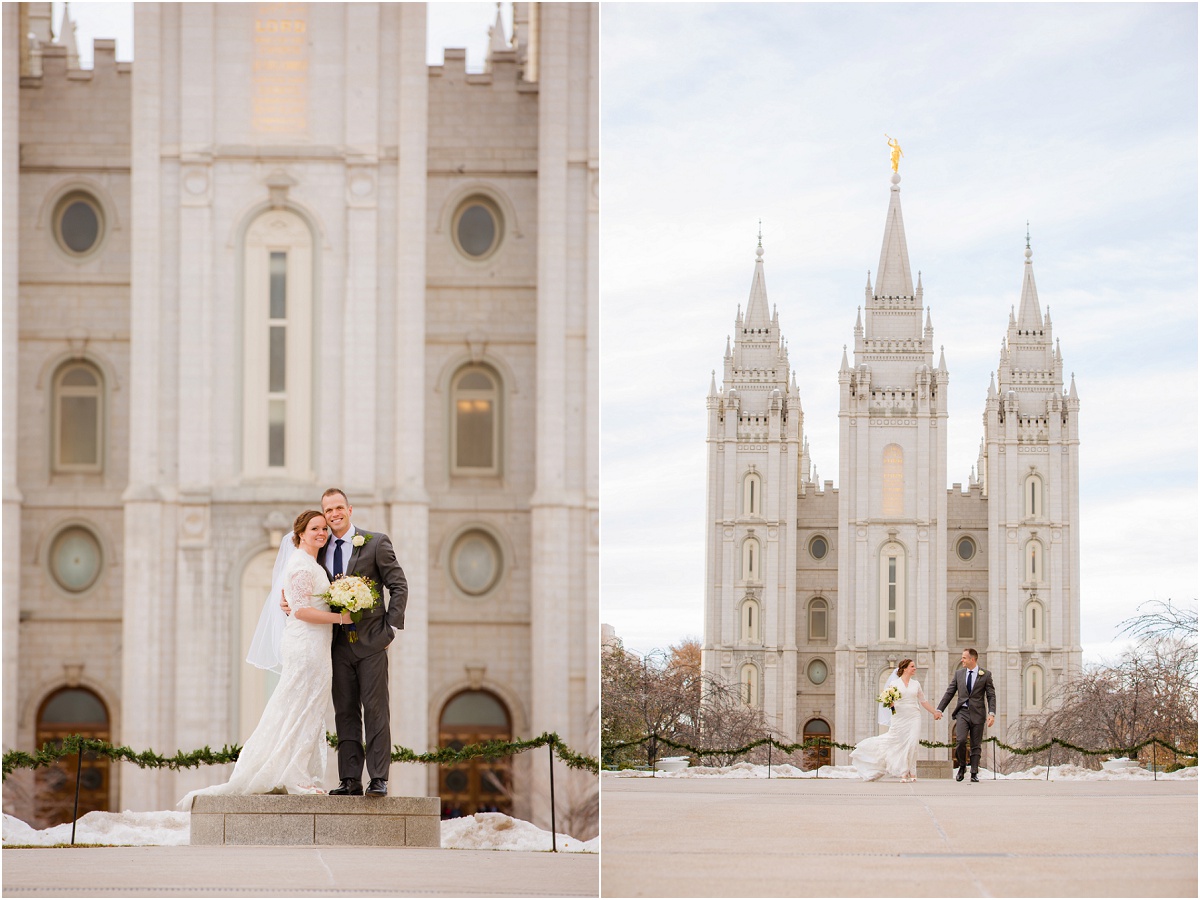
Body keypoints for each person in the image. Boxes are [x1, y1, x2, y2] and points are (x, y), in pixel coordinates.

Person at [179, 511, 352, 809]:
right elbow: (299, 610)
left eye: (324, 528)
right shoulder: (299, 564)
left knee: (307, 708)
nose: (322, 533)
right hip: (306, 646)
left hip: (317, 646)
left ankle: (297, 773)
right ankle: (294, 776)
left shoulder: (311, 563)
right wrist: (341, 617)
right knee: (300, 706)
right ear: (299, 534)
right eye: (315, 528)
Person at [282, 488, 408, 798]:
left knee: (377, 711)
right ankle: (349, 779)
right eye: (328, 510)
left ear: (349, 510)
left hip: (372, 644)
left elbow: (398, 585)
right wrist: (289, 604)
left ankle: (378, 779)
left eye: (339, 507)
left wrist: (390, 628)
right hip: (335, 646)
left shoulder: (376, 542)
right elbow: (305, 589)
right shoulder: (319, 549)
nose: (334, 514)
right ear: (323, 515)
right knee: (345, 713)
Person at [850, 659, 942, 782]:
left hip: (914, 716)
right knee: (899, 744)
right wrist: (893, 708)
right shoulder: (894, 684)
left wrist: (934, 712)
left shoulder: (916, 684)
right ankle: (904, 772)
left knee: (913, 744)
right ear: (905, 668)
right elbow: (890, 704)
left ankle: (913, 772)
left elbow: (923, 701)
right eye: (912, 666)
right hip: (899, 717)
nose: (915, 668)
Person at [936, 647, 996, 783]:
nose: (962, 660)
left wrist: (991, 713)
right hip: (962, 712)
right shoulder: (959, 674)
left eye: (964, 657)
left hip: (978, 713)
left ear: (972, 659)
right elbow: (949, 693)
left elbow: (991, 695)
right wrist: (940, 709)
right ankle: (962, 766)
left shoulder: (985, 675)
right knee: (961, 740)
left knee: (976, 744)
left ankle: (974, 771)